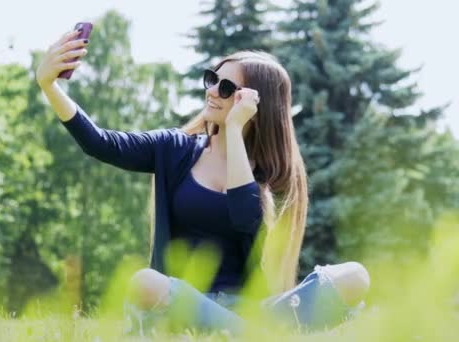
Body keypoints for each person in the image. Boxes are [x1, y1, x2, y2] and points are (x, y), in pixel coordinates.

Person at [36, 28, 370, 337]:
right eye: (212, 80)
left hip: (252, 309)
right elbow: (101, 144)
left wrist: (236, 131)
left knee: (355, 275)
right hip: (180, 304)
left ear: (255, 104)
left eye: (226, 88)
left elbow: (244, 216)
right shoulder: (175, 149)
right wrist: (50, 86)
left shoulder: (276, 176)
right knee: (146, 282)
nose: (211, 91)